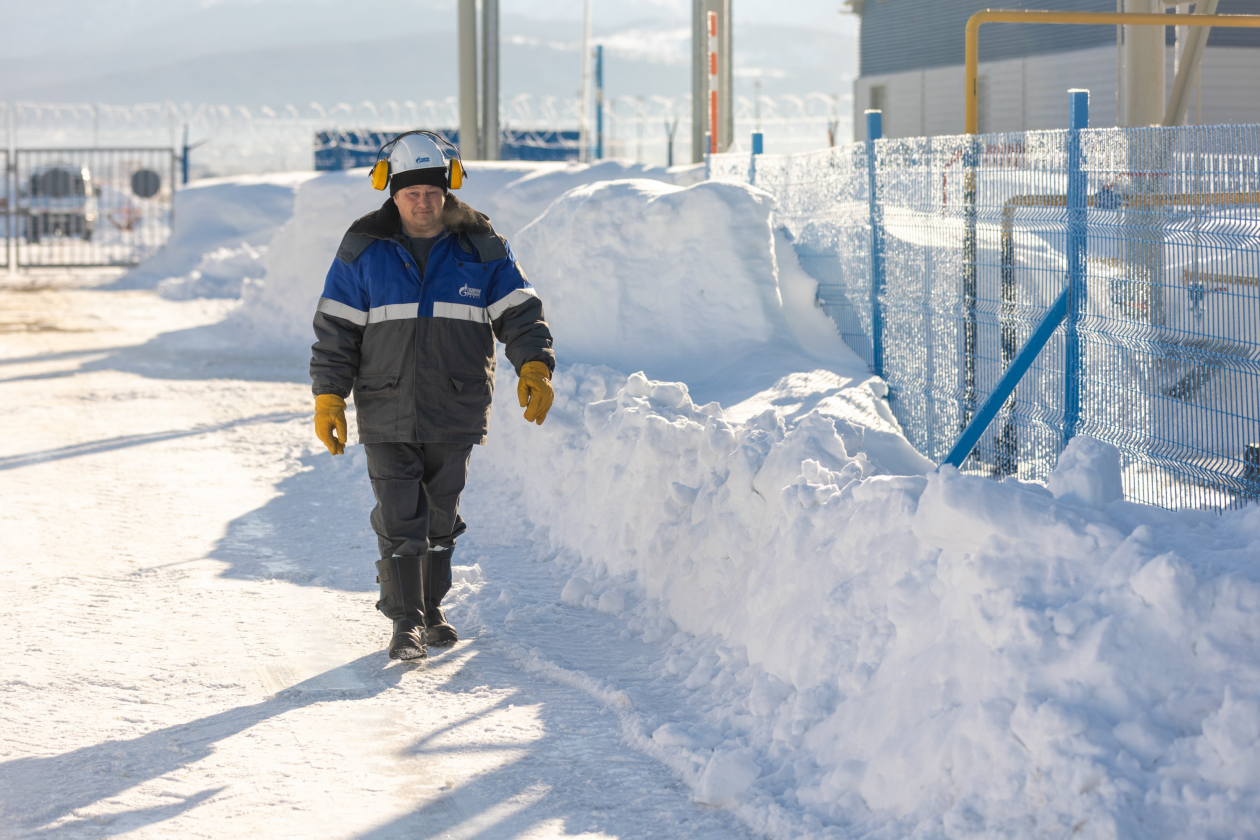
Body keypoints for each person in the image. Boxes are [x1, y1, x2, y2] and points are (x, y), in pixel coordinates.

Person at [309, 131, 555, 661]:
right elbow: (336, 331)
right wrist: (329, 396)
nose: (423, 203)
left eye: (432, 192)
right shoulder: (363, 250)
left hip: (456, 401)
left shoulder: (482, 247)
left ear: (448, 189)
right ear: (392, 193)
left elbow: (520, 313)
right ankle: (406, 622)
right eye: (411, 193)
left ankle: (432, 607)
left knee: (441, 513)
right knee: (400, 512)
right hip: (385, 402)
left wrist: (534, 364)